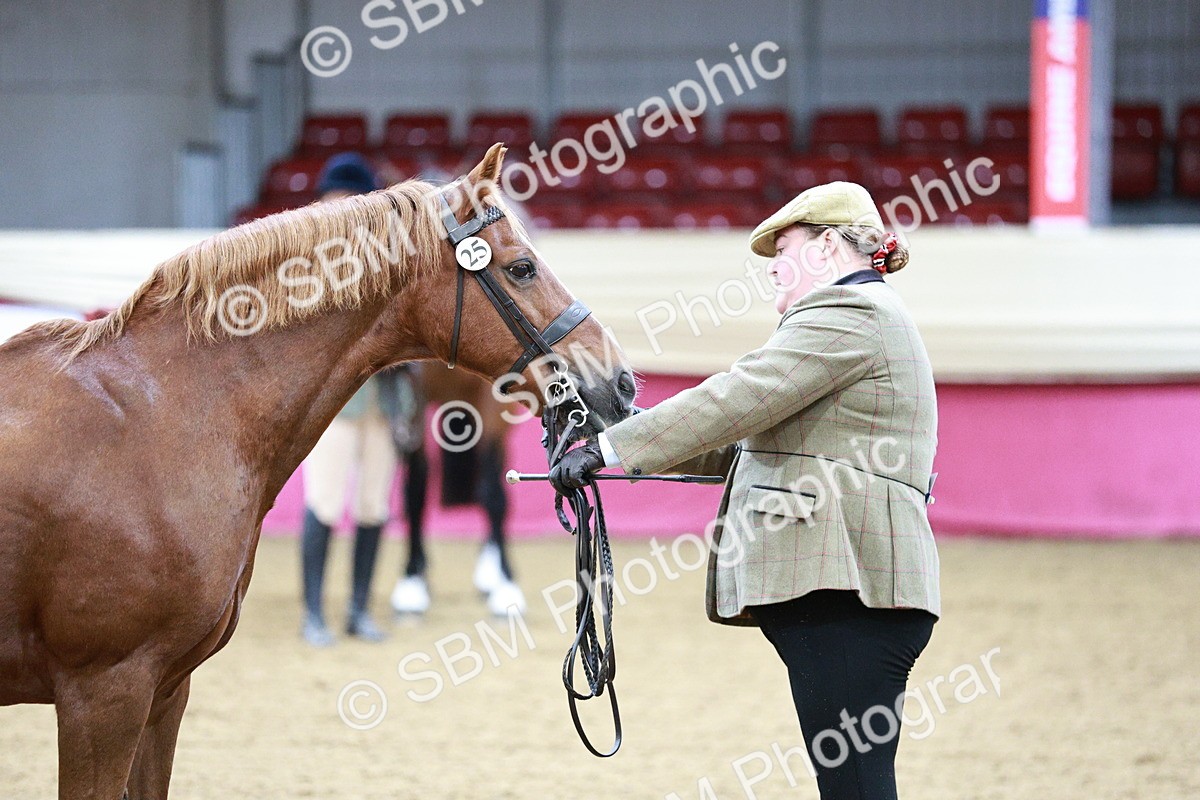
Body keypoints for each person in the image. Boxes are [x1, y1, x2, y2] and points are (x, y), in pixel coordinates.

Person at [552, 182, 940, 800]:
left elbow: (737, 397)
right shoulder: (865, 315)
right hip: (853, 586)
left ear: (829, 247)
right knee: (854, 783)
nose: (773, 269)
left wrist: (609, 447)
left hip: (848, 586)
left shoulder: (850, 311)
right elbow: (743, 445)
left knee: (855, 787)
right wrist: (615, 437)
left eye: (783, 251)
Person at [299, 152, 396, 647]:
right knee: (324, 500)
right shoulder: (309, 263)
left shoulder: (392, 260)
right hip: (335, 403)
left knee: (373, 505)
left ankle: (358, 609)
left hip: (386, 400)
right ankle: (314, 613)